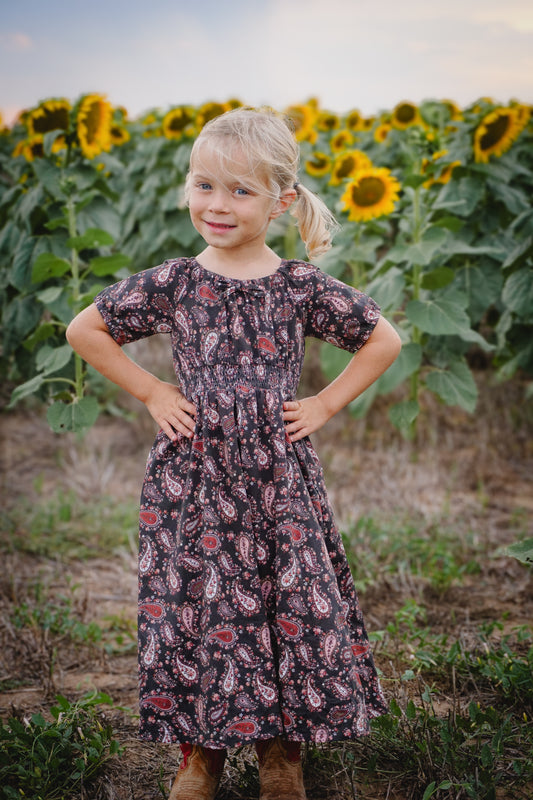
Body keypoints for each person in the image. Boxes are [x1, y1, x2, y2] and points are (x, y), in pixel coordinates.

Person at [66, 107, 402, 800]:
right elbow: (85, 330)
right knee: (196, 611)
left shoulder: (300, 285)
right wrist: (153, 390)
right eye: (203, 185)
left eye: (239, 191)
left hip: (278, 482)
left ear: (280, 200)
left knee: (289, 608)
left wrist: (326, 403)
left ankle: (282, 755)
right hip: (193, 481)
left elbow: (382, 340)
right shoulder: (175, 282)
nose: (217, 205)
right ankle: (200, 756)